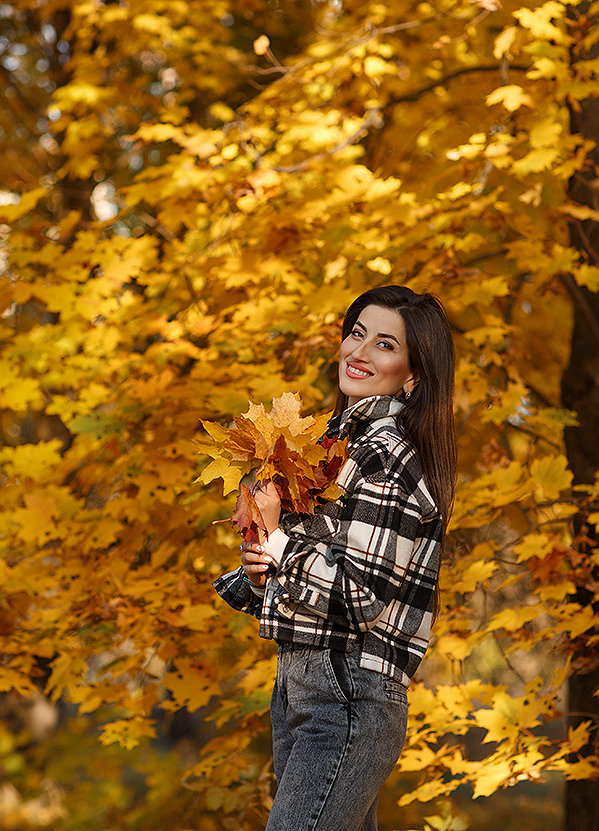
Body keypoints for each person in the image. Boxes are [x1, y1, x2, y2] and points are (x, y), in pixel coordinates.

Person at [214, 285, 457, 831]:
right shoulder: (331, 447)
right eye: (356, 333)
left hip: (348, 691)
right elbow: (314, 576)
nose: (360, 352)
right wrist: (260, 568)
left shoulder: (385, 452)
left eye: (385, 344)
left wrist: (278, 542)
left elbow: (361, 597)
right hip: (303, 685)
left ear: (412, 374)